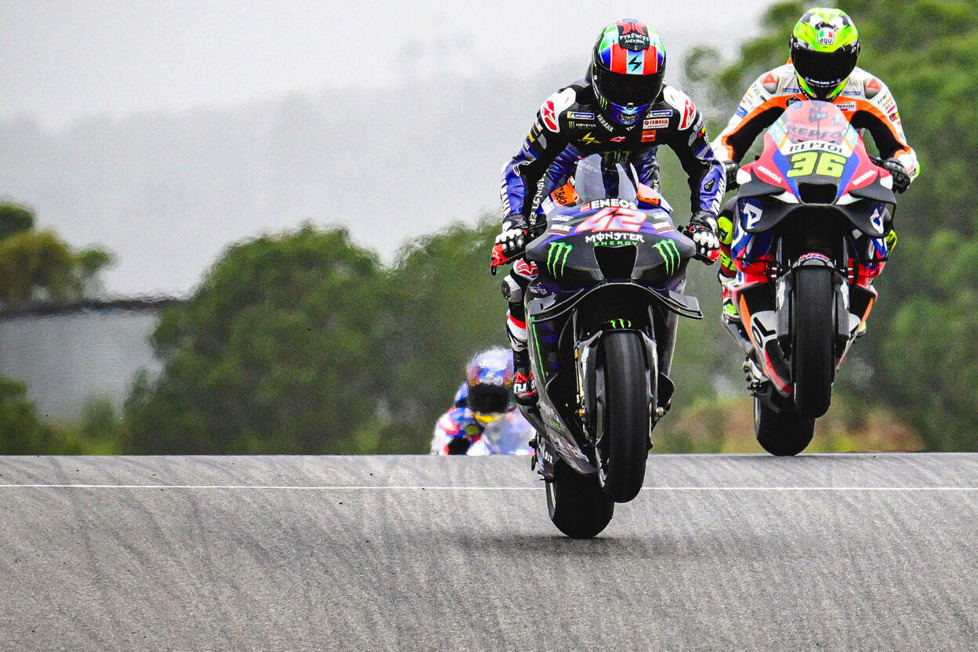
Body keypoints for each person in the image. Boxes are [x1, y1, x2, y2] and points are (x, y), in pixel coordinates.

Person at [491, 19, 726, 405]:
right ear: (599, 76)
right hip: (565, 180)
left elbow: (707, 164)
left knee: (671, 257)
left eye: (642, 84)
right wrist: (516, 223)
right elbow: (521, 166)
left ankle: (654, 367)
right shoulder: (564, 107)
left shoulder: (675, 108)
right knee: (523, 272)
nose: (631, 95)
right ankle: (523, 365)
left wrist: (704, 222)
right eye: (621, 83)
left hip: (638, 183)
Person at [711, 7, 919, 322]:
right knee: (730, 214)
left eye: (834, 62)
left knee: (885, 220)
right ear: (794, 54)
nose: (823, 73)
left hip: (846, 180)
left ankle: (861, 282)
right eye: (813, 61)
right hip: (782, 175)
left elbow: (902, 149)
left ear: (853, 57)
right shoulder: (773, 85)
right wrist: (723, 166)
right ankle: (731, 286)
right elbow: (729, 140)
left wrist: (899, 169)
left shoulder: (869, 90)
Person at [430, 348, 534, 456]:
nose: (488, 403)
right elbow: (437, 460)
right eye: (482, 395)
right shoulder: (457, 420)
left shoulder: (525, 416)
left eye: (496, 397)